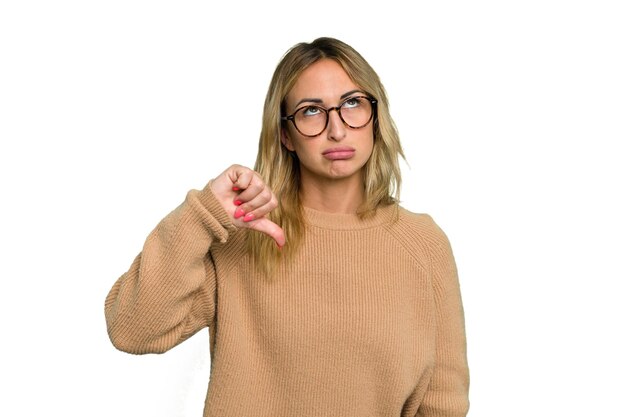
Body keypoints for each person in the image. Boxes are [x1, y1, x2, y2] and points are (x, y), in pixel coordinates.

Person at [105, 37, 470, 416]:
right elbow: (131, 329)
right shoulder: (242, 236)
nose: (337, 129)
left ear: (375, 117)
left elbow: (443, 403)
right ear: (285, 134)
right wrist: (204, 213)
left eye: (351, 104)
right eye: (311, 111)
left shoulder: (423, 244)